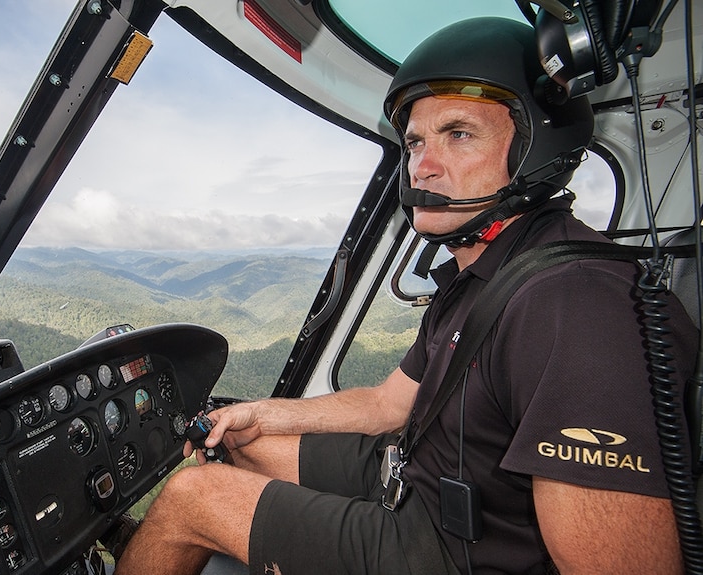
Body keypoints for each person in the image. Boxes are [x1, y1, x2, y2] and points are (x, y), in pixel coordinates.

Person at [115, 17, 699, 575]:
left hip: (453, 553)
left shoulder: (574, 307)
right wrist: (259, 413)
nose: (424, 165)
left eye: (459, 135)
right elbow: (388, 406)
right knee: (246, 443)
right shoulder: (482, 276)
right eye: (415, 141)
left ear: (533, 154)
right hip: (419, 482)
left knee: (194, 494)